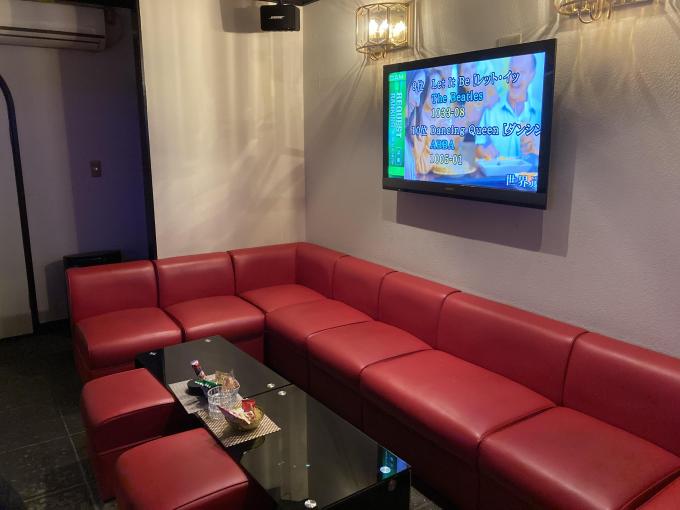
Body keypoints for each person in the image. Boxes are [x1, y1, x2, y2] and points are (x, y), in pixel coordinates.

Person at [476, 54, 541, 161]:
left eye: (522, 72)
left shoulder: (541, 112)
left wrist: (539, 149)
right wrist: (483, 152)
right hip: (496, 172)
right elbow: (478, 147)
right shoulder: (490, 108)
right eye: (512, 71)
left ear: (532, 75)